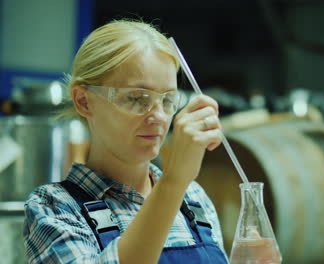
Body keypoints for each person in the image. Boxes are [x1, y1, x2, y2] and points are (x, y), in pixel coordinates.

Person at [23, 19, 228, 264]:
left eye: (168, 100)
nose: (159, 117)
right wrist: (173, 182)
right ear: (84, 101)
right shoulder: (54, 208)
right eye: (137, 98)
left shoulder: (193, 199)